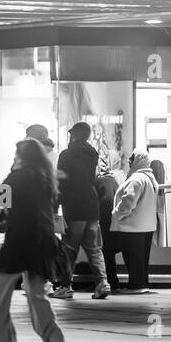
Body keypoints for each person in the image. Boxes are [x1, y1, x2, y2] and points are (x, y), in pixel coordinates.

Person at [0, 138, 69, 342]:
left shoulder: (20, 176)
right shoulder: (45, 179)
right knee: (37, 296)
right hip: (43, 242)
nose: (14, 159)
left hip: (20, 243)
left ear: (22, 157)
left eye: (17, 155)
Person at [52, 122, 110, 300]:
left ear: (75, 135)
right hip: (92, 206)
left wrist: (56, 205)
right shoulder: (92, 153)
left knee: (69, 248)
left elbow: (61, 181)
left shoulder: (67, 155)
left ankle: (65, 286)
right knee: (94, 248)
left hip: (74, 206)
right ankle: (102, 283)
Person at [111, 150, 159, 294]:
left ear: (138, 160)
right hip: (146, 226)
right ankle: (142, 284)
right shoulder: (150, 178)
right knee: (142, 259)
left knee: (133, 258)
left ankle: (136, 286)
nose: (129, 161)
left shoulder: (136, 178)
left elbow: (128, 201)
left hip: (132, 226)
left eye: (132, 159)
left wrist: (116, 214)